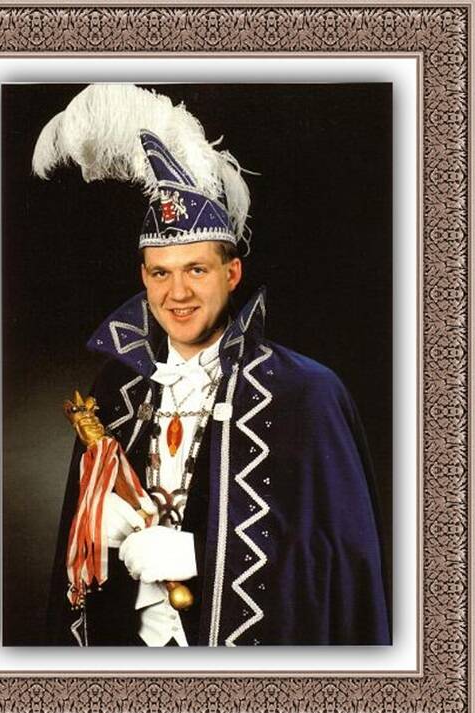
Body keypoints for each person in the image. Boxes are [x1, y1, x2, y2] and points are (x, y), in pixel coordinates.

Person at [35, 84, 390, 647]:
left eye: (196, 270)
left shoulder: (306, 392)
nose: (177, 293)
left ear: (232, 273)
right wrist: (94, 532)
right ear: (144, 276)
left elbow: (339, 562)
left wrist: (197, 553)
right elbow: (77, 566)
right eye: (161, 272)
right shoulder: (119, 386)